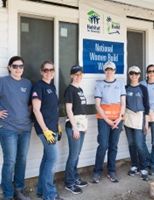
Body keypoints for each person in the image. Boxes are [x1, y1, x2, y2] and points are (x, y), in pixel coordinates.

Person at [0, 56, 32, 200]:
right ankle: (8, 194)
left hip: (26, 128)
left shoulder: (27, 83)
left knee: (22, 159)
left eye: (21, 66)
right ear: (9, 67)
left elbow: (30, 104)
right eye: (15, 66)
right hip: (8, 129)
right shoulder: (2, 82)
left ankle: (19, 190)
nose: (18, 69)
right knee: (10, 161)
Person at [31, 61, 64, 200]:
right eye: (46, 70)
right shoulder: (39, 86)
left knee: (46, 159)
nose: (49, 72)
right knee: (53, 159)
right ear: (41, 71)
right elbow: (36, 110)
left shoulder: (52, 86)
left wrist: (57, 125)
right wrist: (45, 130)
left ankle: (41, 190)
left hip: (53, 128)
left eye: (51, 70)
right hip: (45, 130)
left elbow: (51, 109)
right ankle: (49, 195)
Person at [92, 61, 126, 183]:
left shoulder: (120, 84)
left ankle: (111, 170)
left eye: (111, 69)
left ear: (115, 70)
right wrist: (107, 120)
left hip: (117, 119)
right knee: (103, 145)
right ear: (104, 71)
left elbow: (123, 103)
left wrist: (119, 118)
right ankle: (97, 171)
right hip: (103, 120)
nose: (109, 71)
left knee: (113, 145)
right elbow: (97, 105)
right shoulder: (100, 85)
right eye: (107, 69)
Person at [64, 65, 88, 194]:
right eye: (76, 74)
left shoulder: (80, 89)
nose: (78, 77)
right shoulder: (70, 90)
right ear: (71, 75)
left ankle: (74, 178)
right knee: (73, 156)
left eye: (80, 74)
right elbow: (69, 110)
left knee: (77, 155)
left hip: (81, 126)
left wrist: (83, 127)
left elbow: (81, 110)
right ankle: (69, 182)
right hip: (73, 127)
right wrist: (75, 128)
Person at [124, 66, 150, 181]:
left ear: (139, 75)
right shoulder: (125, 88)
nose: (134, 75)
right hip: (128, 117)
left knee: (140, 144)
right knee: (131, 144)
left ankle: (143, 167)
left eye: (136, 73)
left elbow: (147, 107)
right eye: (131, 73)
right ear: (129, 75)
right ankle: (134, 165)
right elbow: (122, 105)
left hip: (140, 117)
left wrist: (146, 123)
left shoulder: (143, 88)